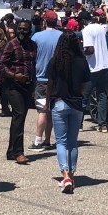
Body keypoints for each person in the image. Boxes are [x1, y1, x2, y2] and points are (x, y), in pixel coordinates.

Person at [45, 31, 91, 193]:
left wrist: (47, 101)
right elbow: (85, 84)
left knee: (61, 141)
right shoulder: (81, 61)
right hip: (76, 103)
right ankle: (71, 174)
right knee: (72, 142)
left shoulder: (55, 61)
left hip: (59, 102)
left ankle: (65, 175)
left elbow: (49, 83)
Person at [0, 19, 37, 164]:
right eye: (19, 29)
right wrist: (14, 75)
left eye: (25, 29)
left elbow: (33, 64)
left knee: (19, 118)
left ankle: (11, 151)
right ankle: (19, 152)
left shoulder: (33, 45)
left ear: (30, 30)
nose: (21, 32)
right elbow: (0, 65)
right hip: (13, 86)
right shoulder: (11, 45)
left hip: (27, 86)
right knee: (19, 115)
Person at [29, 10, 61, 152]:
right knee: (52, 110)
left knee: (43, 110)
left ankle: (38, 140)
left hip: (41, 77)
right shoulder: (61, 36)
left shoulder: (37, 36)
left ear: (44, 21)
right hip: (57, 78)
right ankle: (48, 140)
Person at [81, 11, 108, 132]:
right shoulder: (100, 27)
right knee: (101, 94)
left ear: (83, 20)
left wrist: (81, 52)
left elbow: (90, 50)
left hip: (93, 67)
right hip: (104, 64)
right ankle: (102, 124)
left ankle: (78, 123)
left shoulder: (86, 30)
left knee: (84, 95)